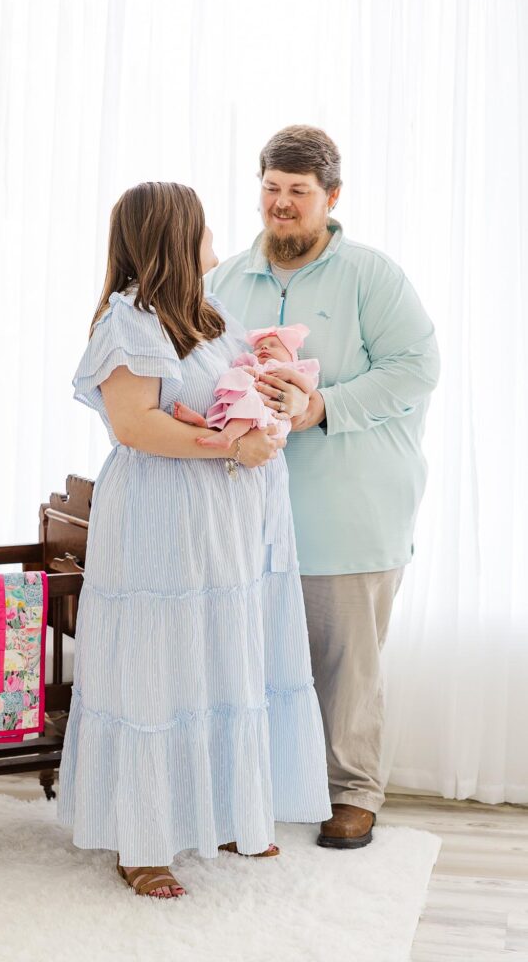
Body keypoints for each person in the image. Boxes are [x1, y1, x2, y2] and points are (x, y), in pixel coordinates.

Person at [57, 181, 331, 897]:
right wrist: (229, 451)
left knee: (217, 657)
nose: (216, 234)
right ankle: (141, 842)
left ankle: (228, 813)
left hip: (221, 525)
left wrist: (275, 376)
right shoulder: (128, 324)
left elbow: (237, 391)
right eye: (202, 225)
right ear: (174, 237)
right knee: (158, 668)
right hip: (161, 518)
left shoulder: (206, 315)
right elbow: (135, 426)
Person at [207, 126, 440, 849]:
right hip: (249, 511)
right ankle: (265, 783)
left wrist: (320, 406)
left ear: (330, 199)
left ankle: (351, 793)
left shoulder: (370, 275)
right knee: (255, 652)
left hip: (351, 505)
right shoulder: (225, 280)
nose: (280, 206)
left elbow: (413, 369)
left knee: (346, 661)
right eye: (271, 189)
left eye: (297, 194)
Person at [173, 322, 319, 448]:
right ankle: (206, 425)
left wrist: (292, 375)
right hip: (248, 407)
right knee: (234, 404)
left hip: (272, 419)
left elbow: (309, 387)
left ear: (291, 357)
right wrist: (246, 371)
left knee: (250, 406)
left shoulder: (293, 368)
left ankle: (226, 437)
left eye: (273, 345)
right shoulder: (252, 364)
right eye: (259, 346)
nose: (264, 348)